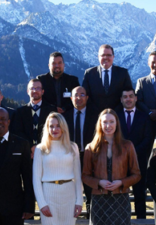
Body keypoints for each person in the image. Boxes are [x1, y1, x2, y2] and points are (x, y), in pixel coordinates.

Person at [82, 109, 141, 225]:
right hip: (99, 200)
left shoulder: (127, 146)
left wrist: (121, 182)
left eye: (111, 122)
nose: (108, 125)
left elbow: (137, 175)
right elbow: (85, 176)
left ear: (117, 123)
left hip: (121, 199)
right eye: (105, 122)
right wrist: (99, 182)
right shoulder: (91, 147)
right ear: (100, 124)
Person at [33, 112, 83, 225]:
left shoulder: (73, 147)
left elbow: (78, 177)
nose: (54, 129)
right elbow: (36, 179)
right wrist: (42, 204)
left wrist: (79, 201)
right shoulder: (40, 149)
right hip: (48, 197)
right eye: (51, 126)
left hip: (69, 196)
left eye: (58, 125)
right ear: (47, 128)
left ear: (63, 127)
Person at [115, 88, 153, 219]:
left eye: (131, 96)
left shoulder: (144, 117)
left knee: (139, 195)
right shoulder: (115, 116)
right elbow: (112, 137)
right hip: (119, 161)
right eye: (125, 97)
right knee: (119, 194)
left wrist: (133, 152)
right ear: (121, 100)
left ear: (136, 98)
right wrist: (123, 153)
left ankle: (141, 221)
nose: (128, 99)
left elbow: (148, 138)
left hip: (139, 161)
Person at [63, 86, 100, 218]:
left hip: (90, 157)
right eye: (75, 95)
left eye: (82, 95)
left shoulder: (96, 116)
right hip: (69, 158)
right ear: (71, 98)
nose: (78, 98)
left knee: (90, 192)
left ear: (87, 98)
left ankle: (92, 218)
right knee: (70, 192)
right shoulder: (64, 117)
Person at [12, 79, 57, 158]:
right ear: (27, 91)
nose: (35, 90)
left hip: (48, 153)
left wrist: (41, 148)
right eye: (32, 88)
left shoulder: (52, 110)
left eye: (38, 88)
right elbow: (18, 132)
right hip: (26, 154)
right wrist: (31, 147)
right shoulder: (20, 112)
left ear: (43, 91)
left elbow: (54, 130)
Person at [82, 44, 133, 110]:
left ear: (113, 57)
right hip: (95, 115)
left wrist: (115, 111)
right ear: (98, 57)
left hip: (118, 115)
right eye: (103, 55)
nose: (106, 57)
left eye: (109, 55)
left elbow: (129, 93)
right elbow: (85, 95)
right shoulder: (89, 73)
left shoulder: (123, 73)